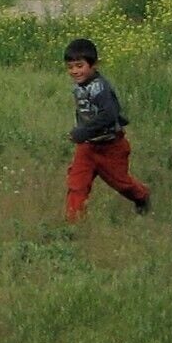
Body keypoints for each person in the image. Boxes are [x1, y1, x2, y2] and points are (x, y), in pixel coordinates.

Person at [64, 37, 151, 222]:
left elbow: (108, 115)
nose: (75, 71)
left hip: (111, 146)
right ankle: (73, 226)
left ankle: (142, 196)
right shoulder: (79, 86)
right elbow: (83, 111)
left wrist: (84, 131)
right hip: (87, 148)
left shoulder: (99, 88)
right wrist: (81, 132)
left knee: (121, 183)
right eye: (70, 67)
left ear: (93, 64)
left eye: (80, 66)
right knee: (77, 184)